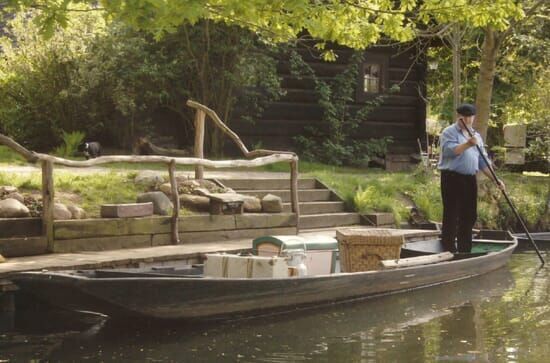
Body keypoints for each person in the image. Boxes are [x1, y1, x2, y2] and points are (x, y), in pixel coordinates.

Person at [437, 103, 505, 253]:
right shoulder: (449, 132)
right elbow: (451, 152)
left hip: (469, 179)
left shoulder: (477, 137)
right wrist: (468, 144)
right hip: (452, 178)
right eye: (464, 117)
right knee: (452, 213)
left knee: (469, 215)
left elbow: (483, 162)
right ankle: (448, 249)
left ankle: (464, 249)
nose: (467, 120)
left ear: (474, 117)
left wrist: (495, 179)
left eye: (470, 117)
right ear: (458, 117)